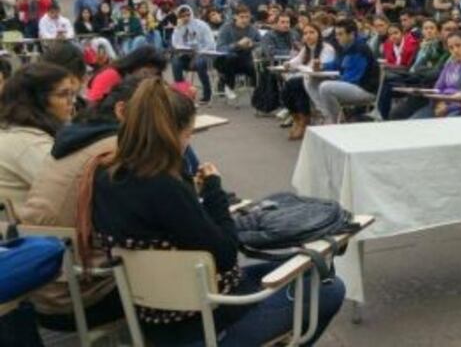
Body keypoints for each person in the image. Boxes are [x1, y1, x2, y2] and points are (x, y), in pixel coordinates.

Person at [78, 78, 345, 345]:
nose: (188, 142)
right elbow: (226, 253)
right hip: (203, 320)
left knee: (300, 268)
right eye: (187, 134)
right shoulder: (164, 186)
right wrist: (214, 190)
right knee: (328, 286)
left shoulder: (104, 175)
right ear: (172, 134)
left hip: (150, 318)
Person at [19, 77, 147, 330]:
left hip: (39, 287)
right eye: (158, 114)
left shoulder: (74, 140)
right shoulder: (115, 149)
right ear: (122, 111)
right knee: (189, 272)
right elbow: (145, 222)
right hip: (80, 299)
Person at [0, 63, 76, 209]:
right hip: (27, 229)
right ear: (36, 101)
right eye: (63, 94)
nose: (71, 102)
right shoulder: (28, 144)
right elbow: (69, 191)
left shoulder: (15, 131)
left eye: (72, 94)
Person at [309, 18, 380, 124]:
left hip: (365, 89)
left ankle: (337, 123)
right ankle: (326, 115)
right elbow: (337, 65)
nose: (337, 38)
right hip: (353, 85)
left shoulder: (360, 49)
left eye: (340, 34)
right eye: (336, 34)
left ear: (351, 34)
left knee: (326, 87)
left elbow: (353, 78)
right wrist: (322, 66)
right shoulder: (346, 46)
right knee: (313, 80)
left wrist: (333, 78)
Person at [282, 24, 335, 140]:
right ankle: (297, 118)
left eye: (312, 32)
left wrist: (303, 67)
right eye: (305, 33)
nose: (308, 36)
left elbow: (321, 67)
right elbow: (297, 61)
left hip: (321, 80)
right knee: (286, 88)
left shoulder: (327, 48)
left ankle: (304, 121)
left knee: (295, 84)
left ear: (318, 34)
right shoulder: (306, 48)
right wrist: (288, 64)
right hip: (308, 77)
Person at [412, 30, 461, 119]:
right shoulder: (449, 65)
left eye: (458, 45)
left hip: (459, 107)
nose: (455, 50)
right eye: (451, 48)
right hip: (440, 104)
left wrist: (448, 107)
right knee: (414, 120)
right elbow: (438, 87)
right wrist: (437, 104)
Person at [88, 45, 168, 104]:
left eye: (153, 75)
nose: (147, 79)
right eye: (145, 73)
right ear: (136, 64)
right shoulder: (111, 75)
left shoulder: (134, 80)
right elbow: (94, 104)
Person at [214, 6, 262, 100]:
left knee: (258, 66)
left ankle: (260, 93)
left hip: (244, 59)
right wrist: (237, 45)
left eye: (247, 17)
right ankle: (228, 85)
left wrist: (252, 44)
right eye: (242, 17)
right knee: (231, 57)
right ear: (235, 17)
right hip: (224, 60)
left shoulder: (252, 29)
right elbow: (220, 48)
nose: (244, 20)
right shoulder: (226, 28)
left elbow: (261, 43)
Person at [171, 5, 215, 103]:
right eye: (182, 16)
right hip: (187, 56)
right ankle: (182, 92)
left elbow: (210, 43)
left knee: (199, 63)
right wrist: (178, 29)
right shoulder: (179, 27)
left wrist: (199, 52)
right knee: (175, 62)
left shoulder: (201, 25)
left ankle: (207, 93)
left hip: (203, 54)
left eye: (188, 15)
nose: (186, 18)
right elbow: (176, 44)